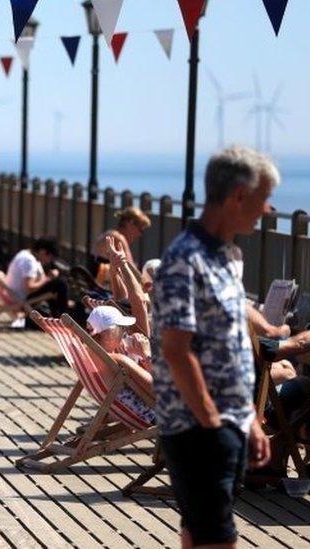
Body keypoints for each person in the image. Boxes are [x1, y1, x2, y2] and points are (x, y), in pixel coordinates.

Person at [152, 146, 278, 548]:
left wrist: (249, 421)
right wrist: (212, 423)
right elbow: (176, 349)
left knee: (198, 535)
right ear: (238, 195)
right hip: (198, 429)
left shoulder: (225, 256)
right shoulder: (185, 259)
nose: (268, 209)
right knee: (218, 540)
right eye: (263, 197)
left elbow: (230, 348)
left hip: (225, 424)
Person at [6, 237, 70, 319]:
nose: (49, 261)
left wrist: (47, 280)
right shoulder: (29, 262)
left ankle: (57, 315)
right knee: (61, 284)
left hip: (14, 294)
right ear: (43, 252)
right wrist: (49, 278)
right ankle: (63, 317)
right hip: (21, 298)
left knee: (54, 285)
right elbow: (29, 288)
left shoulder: (25, 254)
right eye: (50, 257)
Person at [90, 207, 151, 287]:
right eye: (140, 230)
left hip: (93, 281)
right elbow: (131, 269)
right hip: (101, 287)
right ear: (130, 223)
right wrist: (146, 284)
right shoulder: (118, 238)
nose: (140, 235)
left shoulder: (109, 234)